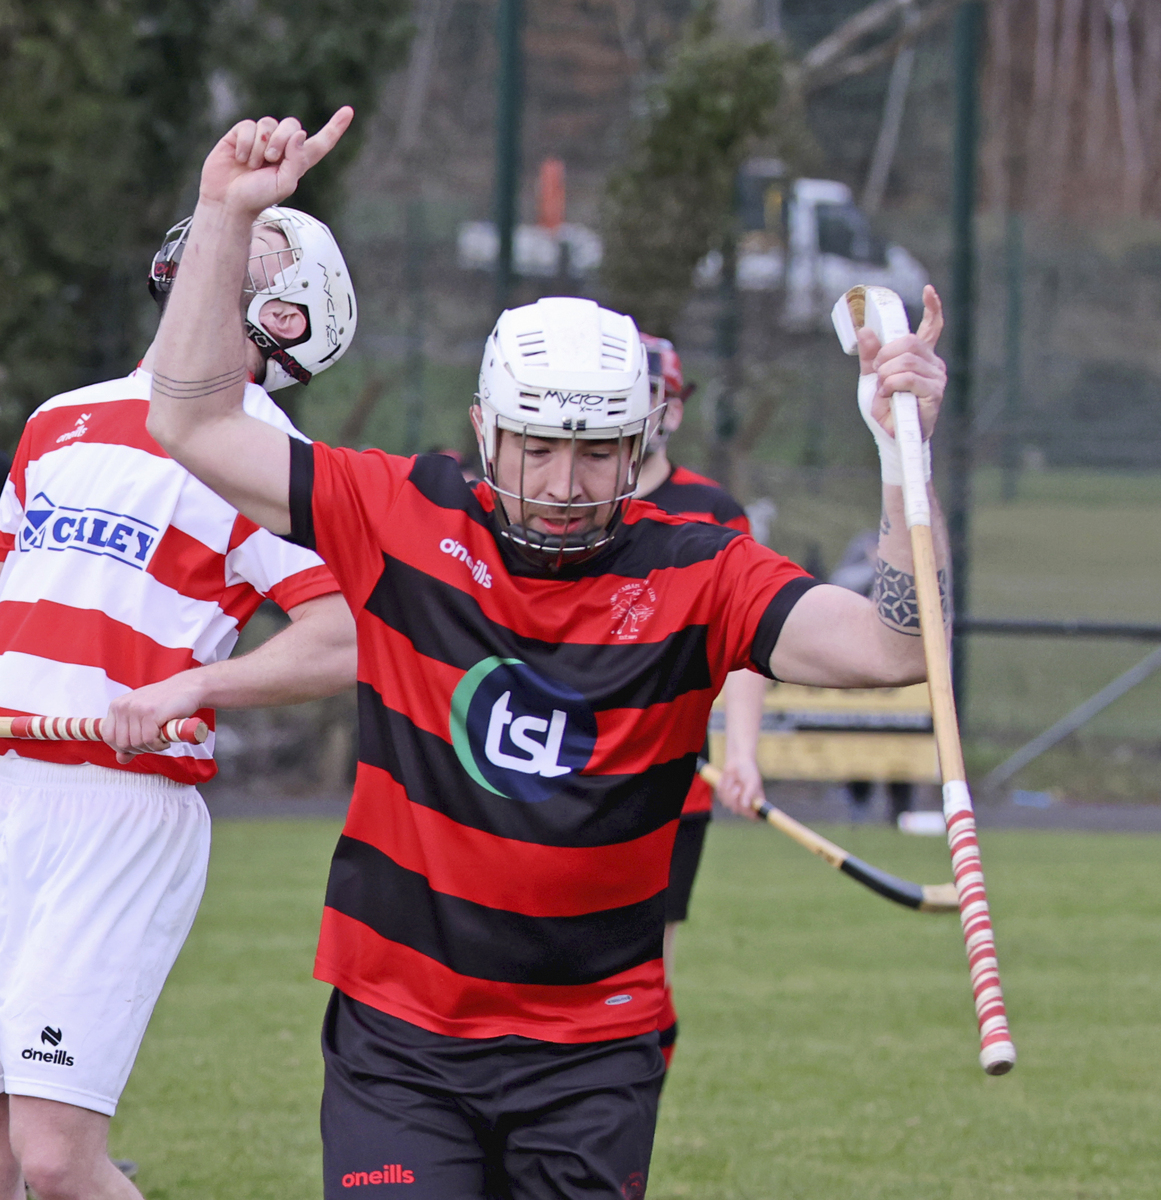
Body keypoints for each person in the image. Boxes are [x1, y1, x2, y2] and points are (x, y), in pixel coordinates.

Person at [146, 109, 949, 1200]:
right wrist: (226, 217)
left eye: (595, 453)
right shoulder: (400, 513)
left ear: (639, 446)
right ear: (488, 430)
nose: (566, 488)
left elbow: (895, 645)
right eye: (539, 449)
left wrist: (903, 452)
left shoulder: (703, 567)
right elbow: (192, 417)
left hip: (594, 1049)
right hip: (401, 1039)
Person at [0, 204, 359, 1200]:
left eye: (271, 241)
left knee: (57, 1162)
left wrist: (198, 684)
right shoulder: (55, 420)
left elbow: (345, 636)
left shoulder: (264, 454)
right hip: (6, 792)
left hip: (121, 808)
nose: (232, 230)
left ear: (294, 314)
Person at [635, 334, 767, 1069]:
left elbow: (750, 643)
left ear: (674, 412)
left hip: (671, 781)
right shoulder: (567, 505)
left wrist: (742, 752)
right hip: (557, 768)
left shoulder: (710, 511)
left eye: (653, 395)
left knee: (646, 968)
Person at [829, 529, 916, 824]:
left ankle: (900, 809)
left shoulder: (915, 544)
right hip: (861, 659)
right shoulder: (862, 545)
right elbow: (839, 586)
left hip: (903, 664)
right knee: (858, 734)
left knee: (902, 740)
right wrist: (875, 566)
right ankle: (857, 802)